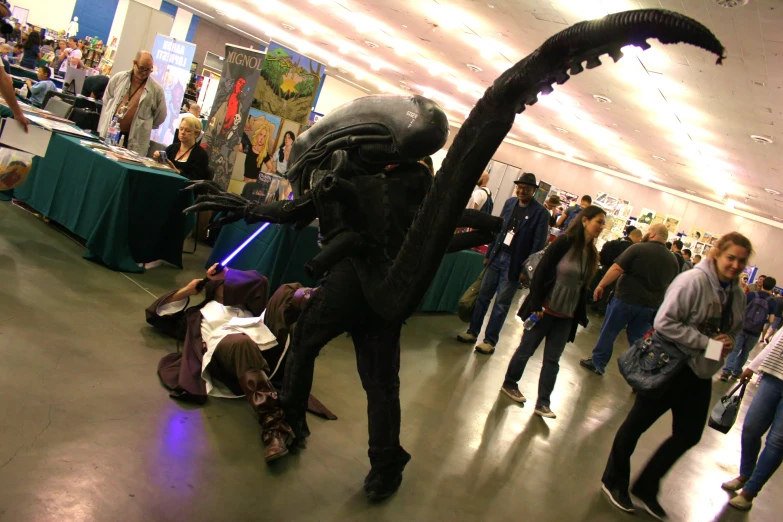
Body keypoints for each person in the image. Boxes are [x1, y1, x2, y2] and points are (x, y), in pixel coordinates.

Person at [601, 232, 748, 518]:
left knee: (689, 434)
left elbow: (734, 327)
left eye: (742, 261)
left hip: (699, 372)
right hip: (669, 365)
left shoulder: (737, 294)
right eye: (731, 257)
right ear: (717, 252)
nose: (735, 265)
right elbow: (664, 322)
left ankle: (646, 485)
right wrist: (707, 343)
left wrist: (727, 339)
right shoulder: (692, 281)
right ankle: (613, 479)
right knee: (636, 424)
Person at [146, 263, 311, 462]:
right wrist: (187, 291)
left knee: (289, 290)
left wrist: (229, 273)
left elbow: (261, 281)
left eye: (233, 281)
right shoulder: (196, 314)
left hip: (264, 342)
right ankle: (275, 425)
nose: (233, 285)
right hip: (225, 350)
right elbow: (155, 315)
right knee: (241, 343)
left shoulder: (251, 309)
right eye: (226, 282)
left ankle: (325, 297)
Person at [501, 205, 606, 418]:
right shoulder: (564, 242)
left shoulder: (592, 252)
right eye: (599, 221)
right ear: (585, 221)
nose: (601, 227)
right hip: (545, 309)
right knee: (526, 349)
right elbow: (541, 272)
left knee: (552, 360)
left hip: (566, 315)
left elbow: (582, 286)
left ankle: (543, 402)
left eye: (604, 223)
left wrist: (581, 314)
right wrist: (537, 305)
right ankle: (509, 383)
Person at [457, 172, 549, 355]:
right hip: (498, 255)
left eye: (526, 189)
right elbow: (499, 229)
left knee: (501, 303)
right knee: (483, 296)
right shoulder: (509, 203)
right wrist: (489, 253)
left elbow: (538, 245)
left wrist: (527, 269)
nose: (522, 191)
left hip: (515, 262)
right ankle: (472, 331)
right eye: (519, 187)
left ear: (534, 191)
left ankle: (490, 341)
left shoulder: (541, 213)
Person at [580, 224, 680, 375]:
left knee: (609, 331)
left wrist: (601, 285)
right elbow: (673, 286)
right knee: (639, 341)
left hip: (625, 300)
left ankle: (598, 363)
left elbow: (617, 268)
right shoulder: (672, 260)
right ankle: (642, 373)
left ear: (652, 235)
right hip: (649, 306)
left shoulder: (638, 248)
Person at [721, 329, 783, 511]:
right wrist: (753, 366)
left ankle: (750, 492)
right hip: (773, 376)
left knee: (777, 441)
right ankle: (745, 474)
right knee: (750, 429)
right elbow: (777, 340)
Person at [97, 51, 167, 156]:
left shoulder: (156, 90)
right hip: (110, 134)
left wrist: (144, 124)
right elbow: (107, 99)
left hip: (135, 142)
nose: (144, 73)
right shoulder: (119, 78)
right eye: (141, 68)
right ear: (134, 63)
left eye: (148, 70)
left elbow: (160, 116)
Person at [720, 276, 777, 381]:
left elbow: (740, 309)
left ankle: (726, 371)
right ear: (772, 287)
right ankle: (736, 373)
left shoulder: (751, 295)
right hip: (755, 331)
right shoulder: (772, 302)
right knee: (745, 352)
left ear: (762, 284)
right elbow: (772, 320)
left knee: (735, 350)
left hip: (743, 327)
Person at [591, 228, 643, 314]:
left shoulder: (617, 241)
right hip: (615, 272)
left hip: (606, 267)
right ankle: (601, 308)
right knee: (608, 290)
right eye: (639, 239)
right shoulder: (630, 248)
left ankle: (595, 303)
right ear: (636, 236)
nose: (639, 241)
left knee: (600, 287)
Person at [153, 116, 210, 181]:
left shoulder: (201, 155)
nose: (182, 132)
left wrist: (177, 171)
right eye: (181, 129)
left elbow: (196, 181)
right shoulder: (172, 148)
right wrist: (158, 159)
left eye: (187, 131)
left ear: (196, 134)